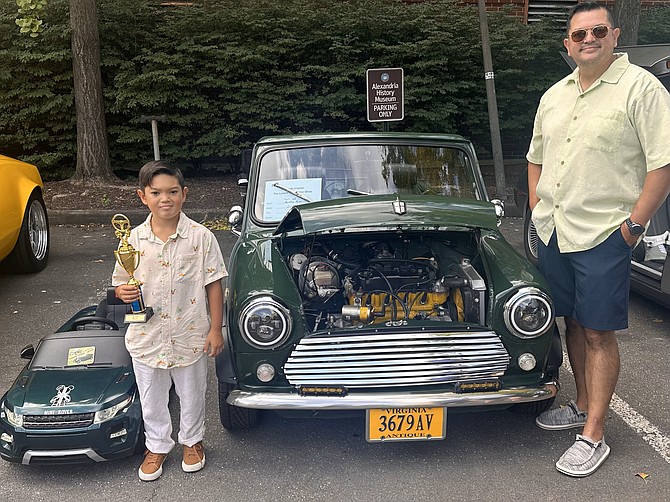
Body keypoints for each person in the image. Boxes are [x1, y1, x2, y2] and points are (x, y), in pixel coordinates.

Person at [527, 1, 670, 477]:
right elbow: (535, 158)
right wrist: (536, 208)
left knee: (598, 330)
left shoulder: (641, 89)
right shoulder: (554, 95)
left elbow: (662, 165)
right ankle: (582, 404)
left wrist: (633, 226)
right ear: (567, 44)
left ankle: (594, 435)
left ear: (614, 35)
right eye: (579, 34)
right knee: (570, 321)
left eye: (598, 31)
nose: (588, 39)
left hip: (605, 232)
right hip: (555, 229)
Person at [112, 160, 226, 481]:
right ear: (142, 196)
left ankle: (192, 441)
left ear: (184, 194)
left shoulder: (200, 237)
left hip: (190, 336)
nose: (166, 199)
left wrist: (216, 329)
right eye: (156, 192)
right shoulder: (131, 241)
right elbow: (120, 283)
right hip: (147, 339)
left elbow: (214, 283)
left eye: (173, 191)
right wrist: (121, 292)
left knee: (192, 393)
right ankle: (157, 445)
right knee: (152, 397)